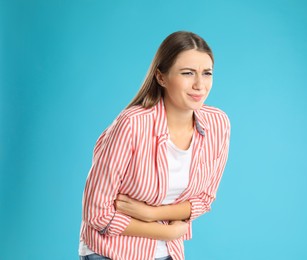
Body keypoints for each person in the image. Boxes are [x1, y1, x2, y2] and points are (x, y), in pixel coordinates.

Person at [78, 31, 230, 260]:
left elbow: (204, 199)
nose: (200, 84)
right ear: (161, 77)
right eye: (188, 73)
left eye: (206, 73)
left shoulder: (217, 124)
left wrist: (152, 213)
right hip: (110, 251)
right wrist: (167, 231)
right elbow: (96, 212)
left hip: (169, 252)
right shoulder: (132, 125)